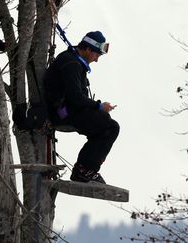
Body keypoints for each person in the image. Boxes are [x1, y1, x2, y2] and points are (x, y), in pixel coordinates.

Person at [43, 31, 120, 184]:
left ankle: (84, 169)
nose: (96, 60)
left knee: (105, 124)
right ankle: (84, 170)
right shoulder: (71, 63)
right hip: (63, 112)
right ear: (87, 49)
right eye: (96, 55)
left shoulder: (73, 61)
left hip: (66, 110)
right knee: (110, 127)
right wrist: (98, 106)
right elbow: (75, 97)